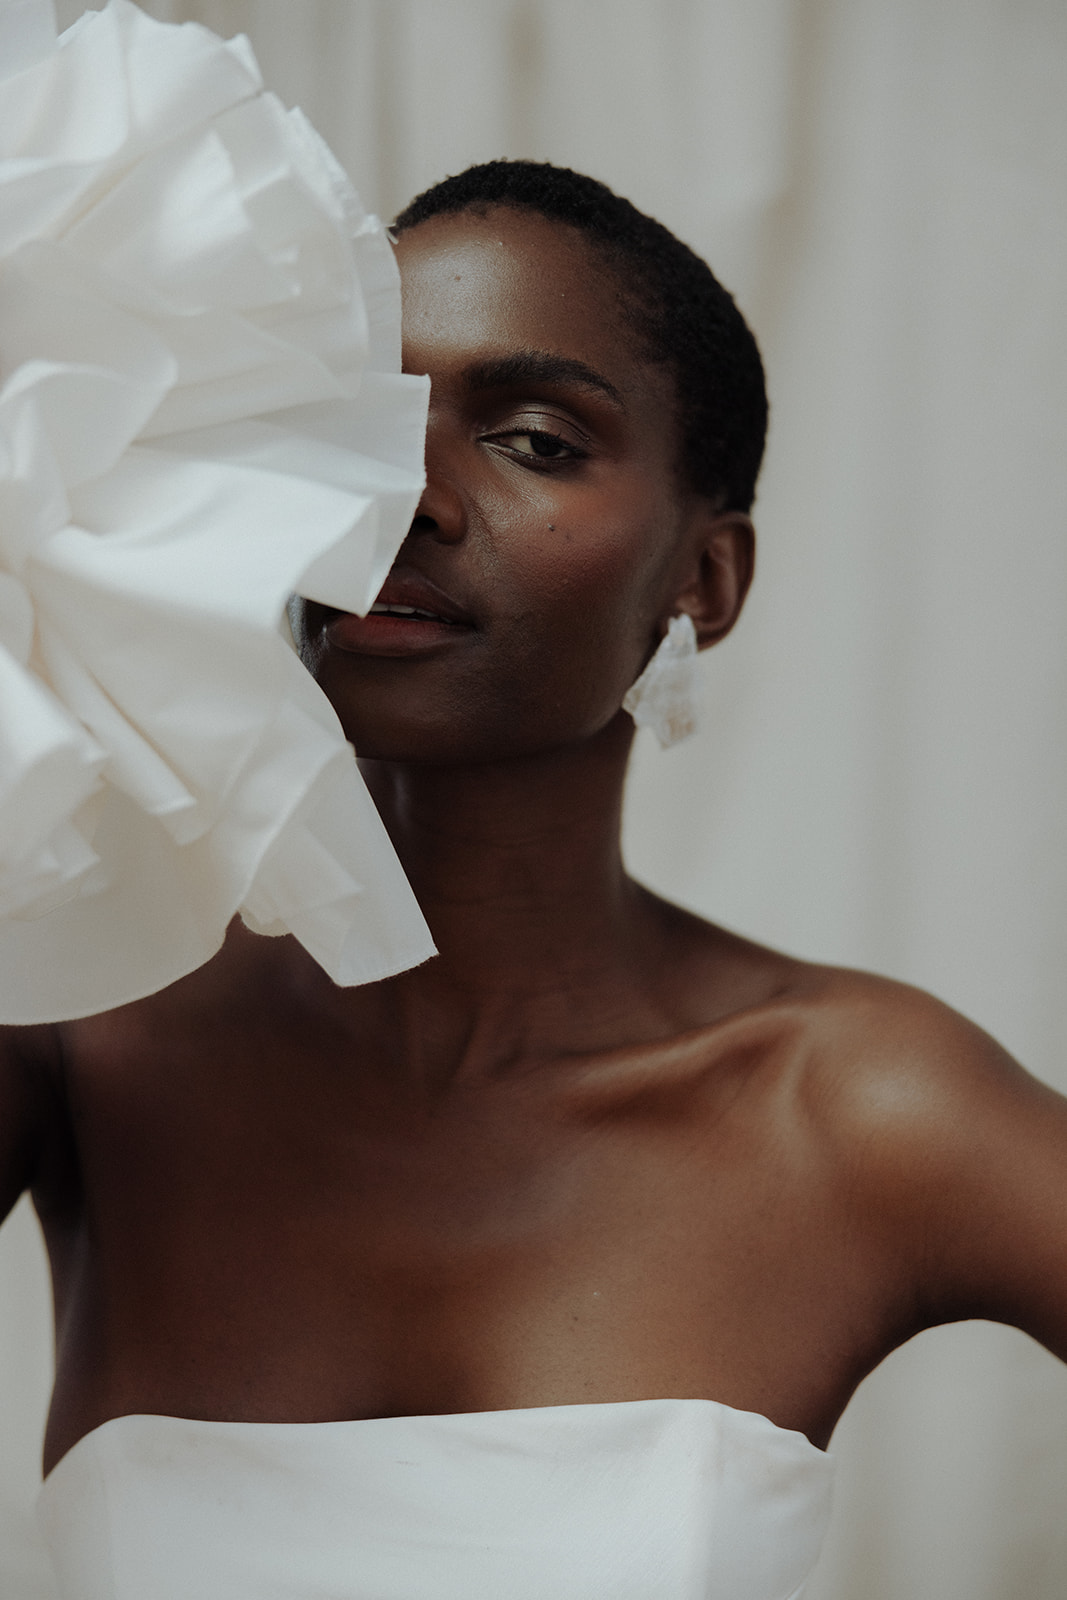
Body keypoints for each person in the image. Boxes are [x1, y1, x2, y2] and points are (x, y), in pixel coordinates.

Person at [5, 158, 1067, 1597]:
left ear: (704, 581)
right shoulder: (83, 1019)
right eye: (345, 421)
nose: (403, 492)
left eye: (534, 440)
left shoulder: (851, 1105)